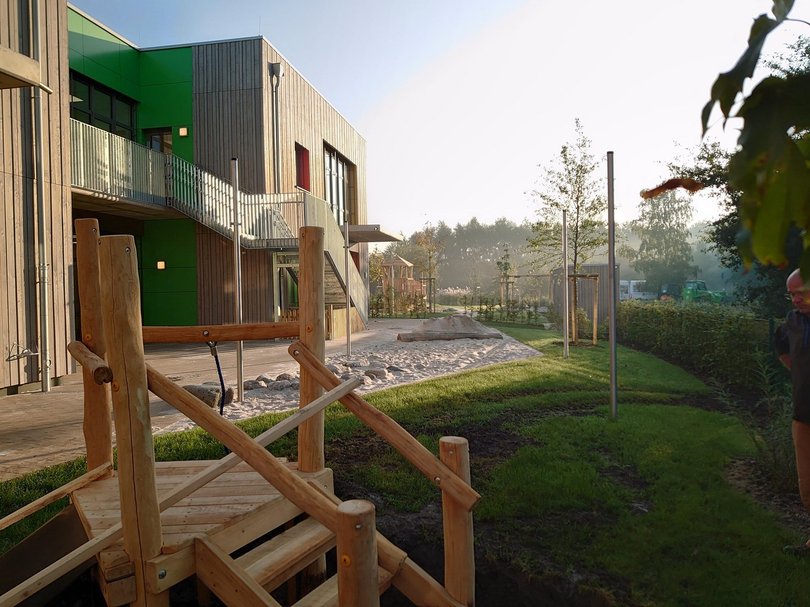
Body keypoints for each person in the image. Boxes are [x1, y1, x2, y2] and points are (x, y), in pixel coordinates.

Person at [775, 268, 810, 555]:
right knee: (807, 486)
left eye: (802, 292)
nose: (796, 300)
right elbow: (783, 350)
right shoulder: (792, 321)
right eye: (792, 294)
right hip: (803, 417)